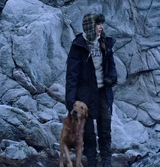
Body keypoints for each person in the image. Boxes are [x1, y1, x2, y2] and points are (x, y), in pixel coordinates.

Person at [65, 12, 117, 167]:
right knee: (87, 131)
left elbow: (111, 66)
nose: (101, 27)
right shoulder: (78, 46)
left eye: (101, 24)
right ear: (90, 26)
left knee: (105, 125)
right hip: (84, 95)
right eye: (97, 24)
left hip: (102, 92)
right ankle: (92, 161)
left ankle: (106, 160)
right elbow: (72, 75)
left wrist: (111, 77)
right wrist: (70, 100)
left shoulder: (105, 43)